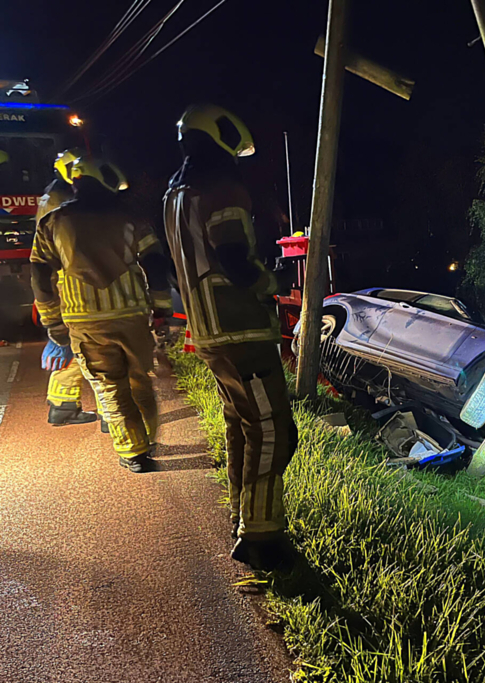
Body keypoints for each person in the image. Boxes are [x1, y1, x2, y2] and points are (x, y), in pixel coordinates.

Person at [164, 104, 296, 570]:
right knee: (273, 431)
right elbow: (235, 260)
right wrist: (272, 284)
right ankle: (260, 538)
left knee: (243, 426)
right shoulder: (222, 188)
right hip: (239, 328)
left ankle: (244, 518)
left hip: (208, 334)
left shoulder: (176, 193)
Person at [30, 155, 173, 472]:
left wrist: (51, 320)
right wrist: (162, 305)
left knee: (110, 387)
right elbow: (155, 261)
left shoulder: (53, 221)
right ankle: (147, 440)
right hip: (132, 315)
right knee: (140, 381)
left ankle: (132, 451)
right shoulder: (130, 217)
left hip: (84, 321)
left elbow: (40, 275)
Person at [37, 148, 101, 427]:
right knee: (95, 345)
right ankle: (113, 415)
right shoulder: (63, 200)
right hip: (72, 283)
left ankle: (63, 404)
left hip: (61, 282)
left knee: (76, 345)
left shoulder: (51, 195)